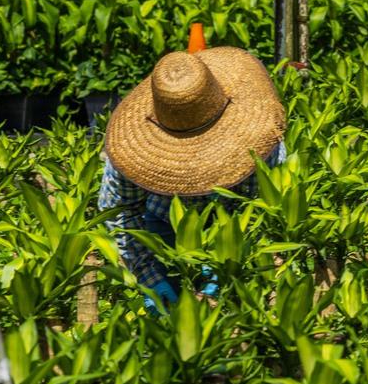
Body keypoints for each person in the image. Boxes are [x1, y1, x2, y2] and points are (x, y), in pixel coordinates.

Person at [98, 43, 287, 312]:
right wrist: (151, 278)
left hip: (233, 227)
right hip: (164, 225)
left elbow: (265, 214)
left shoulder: (263, 146)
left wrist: (225, 274)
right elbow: (120, 213)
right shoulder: (127, 154)